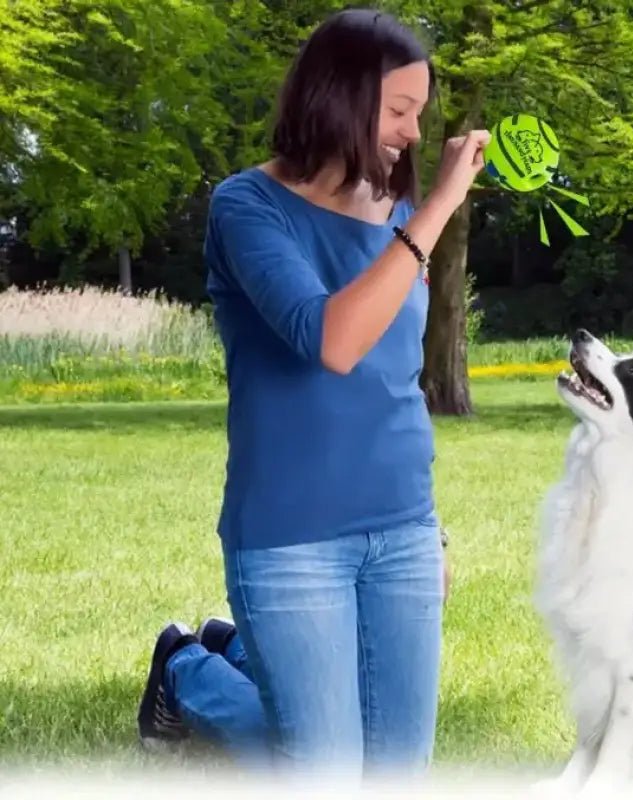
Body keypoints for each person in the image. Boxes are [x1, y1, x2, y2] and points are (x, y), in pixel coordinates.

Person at [135, 7, 488, 785]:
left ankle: (224, 652)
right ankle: (186, 668)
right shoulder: (246, 207)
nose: (414, 133)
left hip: (400, 526)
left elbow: (392, 382)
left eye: (421, 114)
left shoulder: (398, 218)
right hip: (290, 539)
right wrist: (437, 211)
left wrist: (431, 530)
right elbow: (331, 340)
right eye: (400, 110)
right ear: (342, 97)